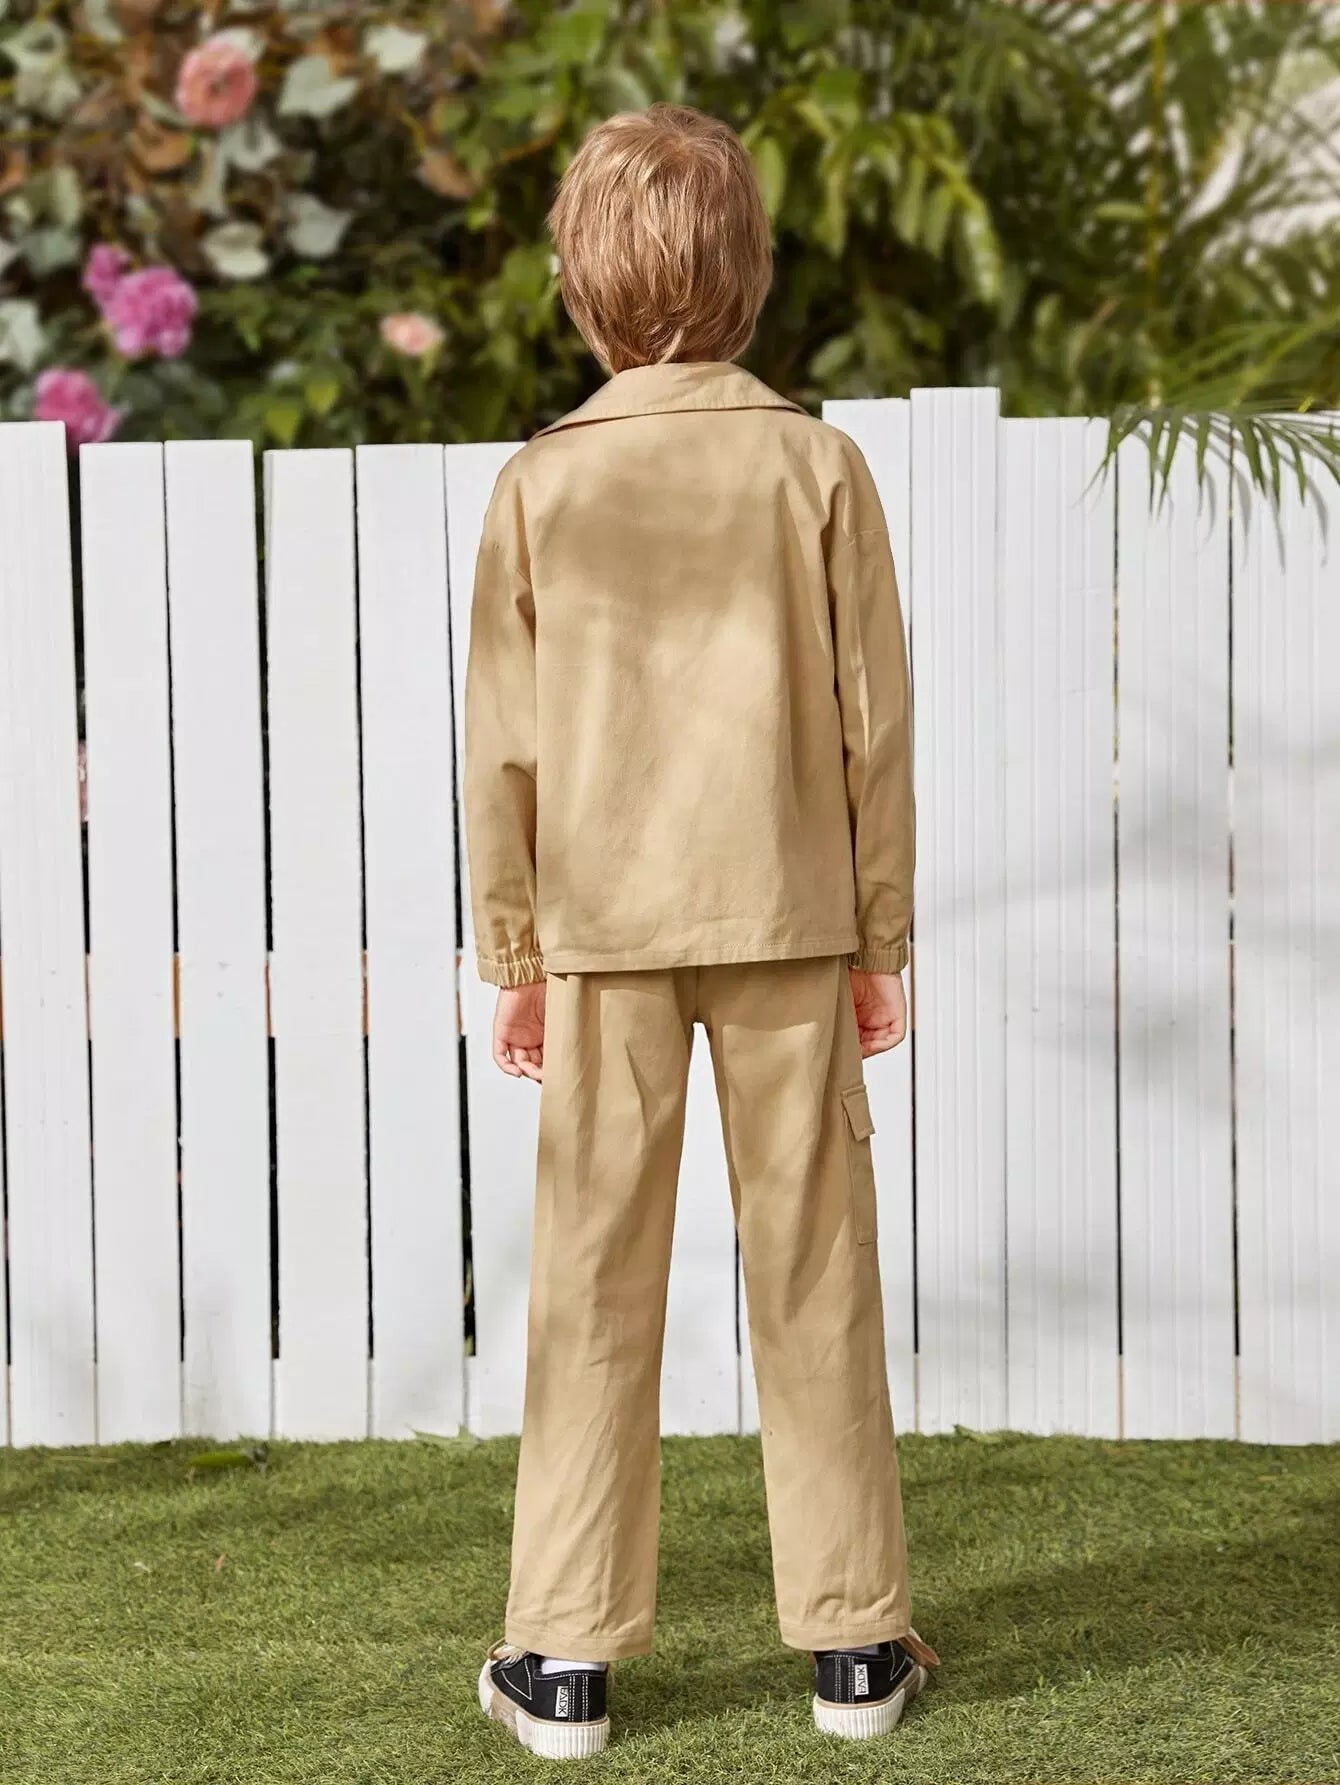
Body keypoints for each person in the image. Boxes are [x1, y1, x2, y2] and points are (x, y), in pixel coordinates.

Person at [464, 102, 936, 1762]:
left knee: (591, 1279)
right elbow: (874, 720)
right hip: (791, 917)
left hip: (603, 933)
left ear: (583, 282)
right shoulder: (817, 466)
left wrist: (517, 954)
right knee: (815, 1267)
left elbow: (504, 748)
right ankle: (856, 1646)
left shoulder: (541, 483)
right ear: (748, 272)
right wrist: (879, 933)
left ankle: (564, 1660)